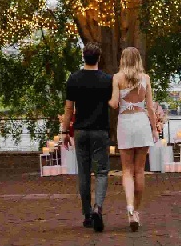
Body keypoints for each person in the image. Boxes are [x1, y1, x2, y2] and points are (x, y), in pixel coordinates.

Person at [61, 42, 112, 232]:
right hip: (100, 131)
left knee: (83, 173)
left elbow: (68, 109)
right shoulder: (108, 80)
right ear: (99, 58)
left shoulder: (73, 79)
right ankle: (98, 208)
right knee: (101, 172)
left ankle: (87, 214)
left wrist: (65, 131)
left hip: (81, 131)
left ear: (84, 57)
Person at [109, 46, 162, 231]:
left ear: (123, 59)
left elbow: (115, 104)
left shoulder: (117, 78)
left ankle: (130, 208)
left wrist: (107, 100)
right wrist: (155, 130)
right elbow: (150, 108)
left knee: (126, 170)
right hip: (141, 124)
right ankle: (135, 211)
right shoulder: (145, 78)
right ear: (138, 59)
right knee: (139, 170)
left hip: (125, 124)